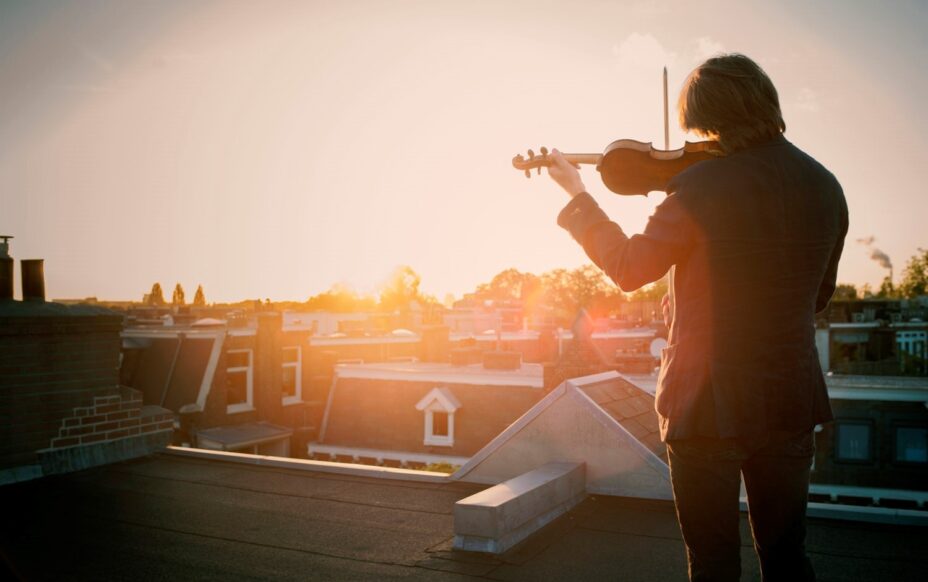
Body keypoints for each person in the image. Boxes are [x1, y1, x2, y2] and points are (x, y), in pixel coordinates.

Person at [545, 54, 847, 582]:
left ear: (710, 116)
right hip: (790, 400)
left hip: (706, 404)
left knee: (712, 563)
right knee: (787, 558)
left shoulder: (700, 187)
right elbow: (815, 297)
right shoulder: (826, 185)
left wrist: (578, 194)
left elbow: (629, 267)